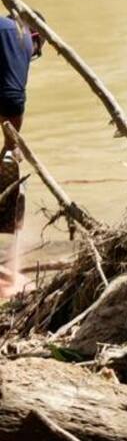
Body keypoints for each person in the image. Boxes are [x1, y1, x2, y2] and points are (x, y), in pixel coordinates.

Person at [1, 15, 41, 300]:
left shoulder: (8, 29)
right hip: (13, 101)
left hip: (9, 95)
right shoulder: (26, 37)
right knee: (10, 154)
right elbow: (16, 87)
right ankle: (9, 154)